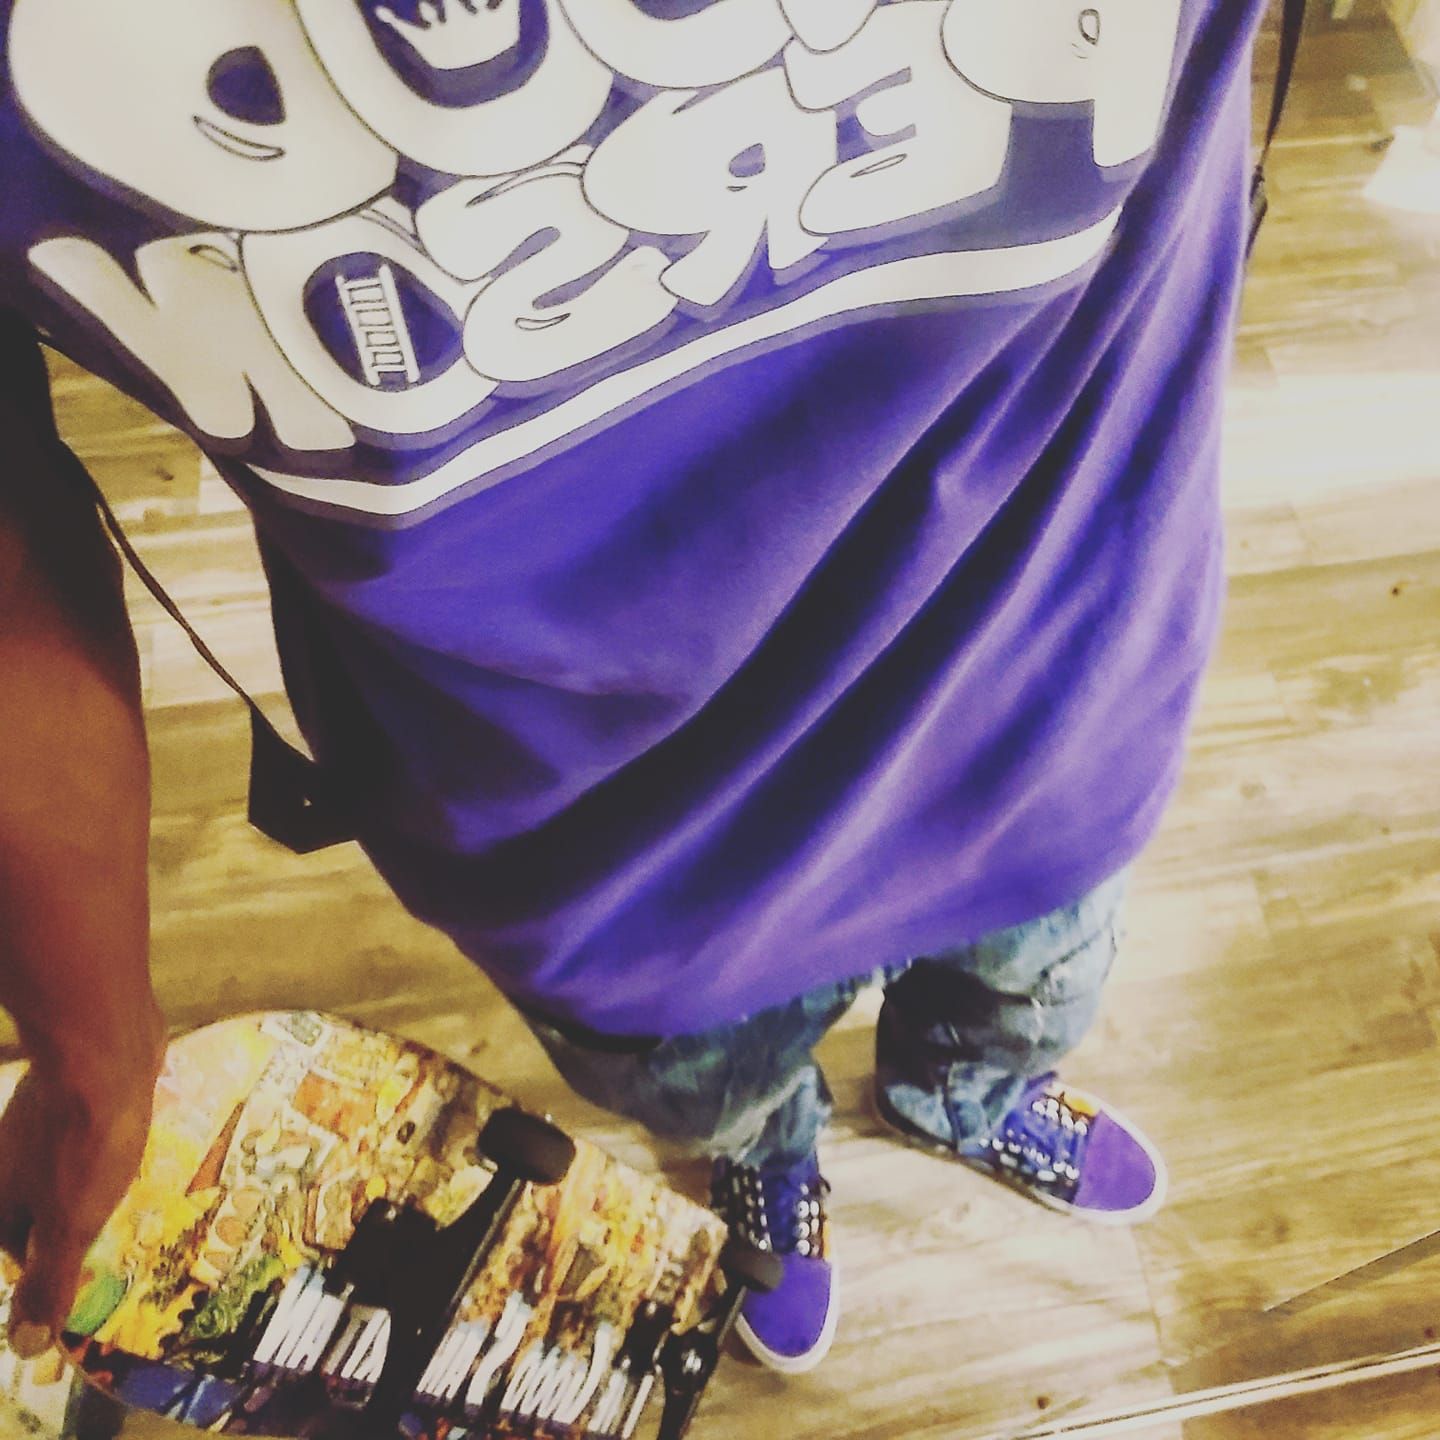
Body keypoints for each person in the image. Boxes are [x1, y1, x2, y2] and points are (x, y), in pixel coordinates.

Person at [0, 0, 1267, 1377]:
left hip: (1050, 677)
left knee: (1028, 992)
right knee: (725, 1101)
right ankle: (770, 1159)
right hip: (614, 853)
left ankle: (960, 1092)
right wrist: (89, 1033)